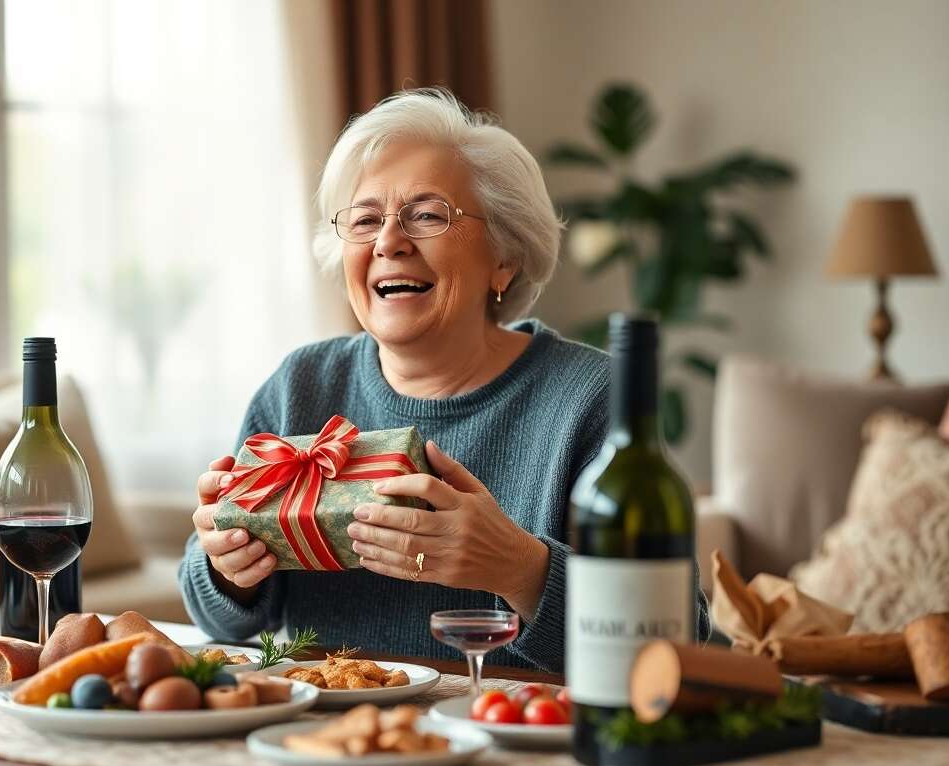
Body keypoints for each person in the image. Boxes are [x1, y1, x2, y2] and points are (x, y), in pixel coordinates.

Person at [178, 88, 710, 671]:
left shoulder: (590, 399)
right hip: (329, 741)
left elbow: (682, 636)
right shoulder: (300, 384)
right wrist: (227, 567)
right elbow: (220, 620)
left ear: (504, 256)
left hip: (515, 743)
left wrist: (519, 568)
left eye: (427, 215)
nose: (388, 242)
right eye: (365, 220)